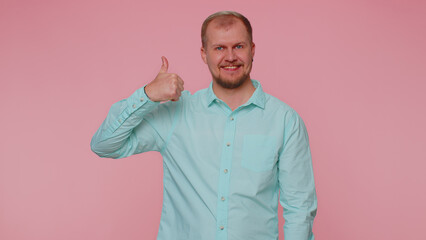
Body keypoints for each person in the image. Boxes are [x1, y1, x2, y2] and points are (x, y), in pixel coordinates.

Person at [91, 11, 317, 240]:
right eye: (219, 48)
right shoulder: (176, 114)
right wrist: (148, 95)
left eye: (238, 46)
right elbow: (104, 144)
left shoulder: (285, 121)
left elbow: (299, 209)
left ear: (252, 50)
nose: (230, 57)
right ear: (204, 53)